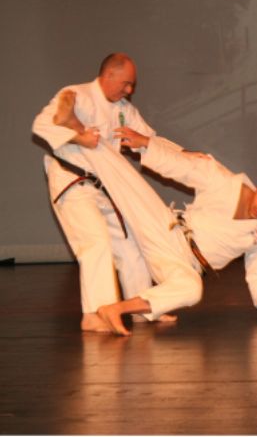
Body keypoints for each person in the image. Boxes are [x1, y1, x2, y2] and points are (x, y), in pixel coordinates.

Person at [51, 93, 257, 335]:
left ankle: (114, 309)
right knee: (125, 179)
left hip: (184, 265)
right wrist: (146, 144)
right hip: (168, 229)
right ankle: (75, 126)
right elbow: (184, 168)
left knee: (193, 290)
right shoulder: (224, 181)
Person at [31, 53, 173, 332]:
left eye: (132, 85)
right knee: (95, 243)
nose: (129, 90)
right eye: (126, 83)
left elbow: (149, 140)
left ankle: (141, 308)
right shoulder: (75, 95)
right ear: (108, 75)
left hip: (103, 186)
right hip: (72, 182)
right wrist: (79, 137)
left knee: (131, 246)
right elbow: (41, 125)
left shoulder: (123, 109)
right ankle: (95, 314)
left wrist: (182, 156)